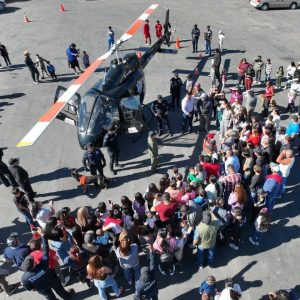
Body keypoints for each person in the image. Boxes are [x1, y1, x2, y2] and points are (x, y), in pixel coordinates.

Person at [21, 234, 75, 299]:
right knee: (60, 290)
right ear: (33, 265)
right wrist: (44, 237)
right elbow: (46, 251)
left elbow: (28, 288)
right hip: (52, 280)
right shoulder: (43, 264)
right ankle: (67, 297)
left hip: (42, 287)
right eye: (33, 261)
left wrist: (37, 287)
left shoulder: (24, 278)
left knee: (49, 297)